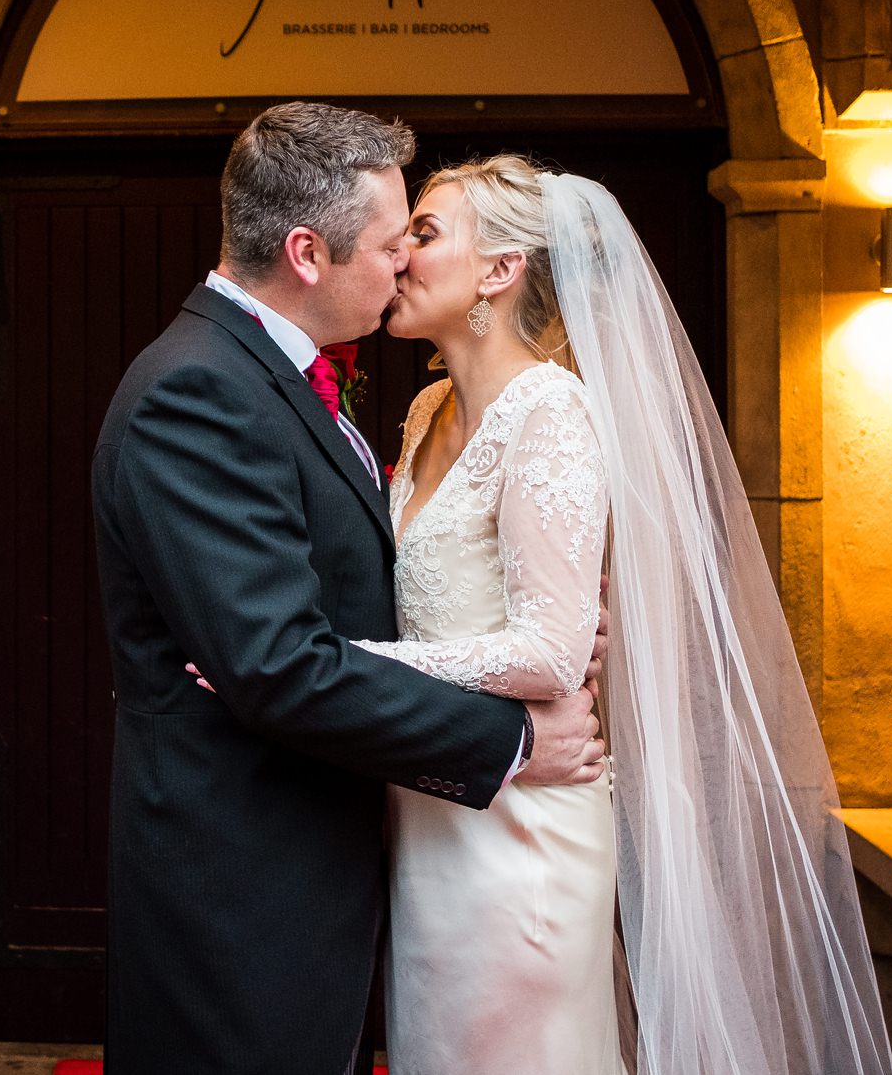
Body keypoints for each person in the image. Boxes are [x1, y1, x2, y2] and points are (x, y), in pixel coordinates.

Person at [341, 153, 892, 1074]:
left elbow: (554, 652)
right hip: (432, 814)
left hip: (523, 838)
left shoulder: (551, 413)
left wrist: (344, 659)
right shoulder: (427, 408)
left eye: (426, 234)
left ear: (500, 269)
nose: (399, 254)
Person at [90, 104, 607, 1075]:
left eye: (419, 237)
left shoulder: (286, 384)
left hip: (394, 849)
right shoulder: (197, 391)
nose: (400, 263)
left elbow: (366, 609)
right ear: (304, 253)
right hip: (242, 888)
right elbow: (279, 665)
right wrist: (513, 739)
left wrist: (551, 621)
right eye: (386, 242)